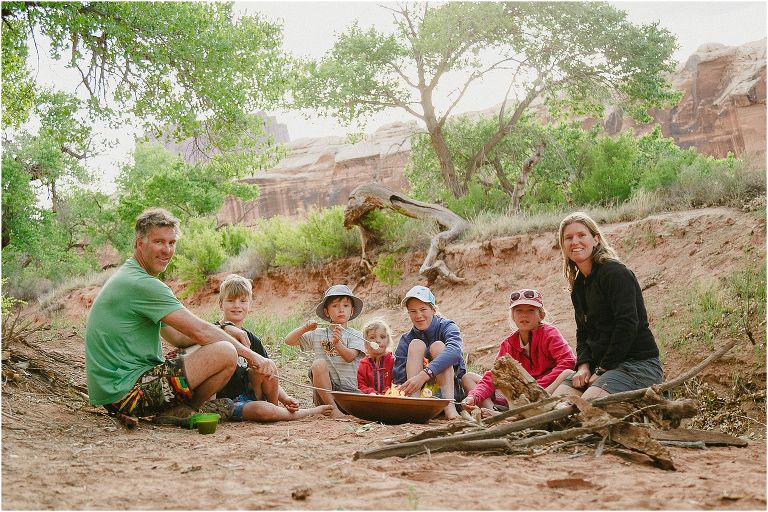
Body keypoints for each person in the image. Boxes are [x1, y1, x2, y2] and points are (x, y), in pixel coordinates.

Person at [85, 208, 277, 425]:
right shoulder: (142, 284)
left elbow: (178, 336)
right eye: (159, 242)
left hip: (117, 392)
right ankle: (187, 409)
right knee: (224, 351)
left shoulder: (130, 277)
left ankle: (178, 410)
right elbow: (199, 331)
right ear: (140, 244)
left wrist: (223, 328)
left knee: (212, 346)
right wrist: (254, 357)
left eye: (172, 243)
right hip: (127, 394)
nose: (167, 250)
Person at [553, 212, 663, 400]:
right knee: (558, 402)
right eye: (568, 238)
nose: (575, 241)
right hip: (601, 366)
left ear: (595, 239)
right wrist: (584, 366)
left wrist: (604, 369)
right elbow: (583, 332)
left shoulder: (614, 273)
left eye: (581, 235)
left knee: (588, 404)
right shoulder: (579, 285)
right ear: (563, 245)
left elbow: (627, 324)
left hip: (636, 364)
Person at [213, 274, 332, 421]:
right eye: (231, 301)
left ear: (250, 305)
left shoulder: (252, 339)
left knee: (267, 365)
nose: (237, 305)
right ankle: (304, 412)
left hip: (251, 394)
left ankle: (275, 407)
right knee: (262, 410)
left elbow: (270, 373)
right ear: (220, 304)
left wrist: (286, 398)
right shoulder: (213, 331)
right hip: (226, 401)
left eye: (243, 301)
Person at [462, 288, 575, 414]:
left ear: (541, 315)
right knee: (469, 377)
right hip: (517, 393)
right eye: (519, 310)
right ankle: (492, 411)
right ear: (513, 316)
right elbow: (495, 375)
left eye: (531, 310)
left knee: (567, 373)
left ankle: (507, 413)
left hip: (546, 389)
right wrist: (474, 396)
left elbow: (568, 362)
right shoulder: (508, 343)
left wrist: (534, 386)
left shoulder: (550, 334)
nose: (524, 315)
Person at [393, 285, 481, 420]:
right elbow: (399, 375)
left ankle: (450, 410)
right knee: (416, 345)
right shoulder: (406, 339)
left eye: (423, 309)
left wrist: (425, 374)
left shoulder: (447, 327)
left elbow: (455, 351)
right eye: (413, 311)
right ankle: (415, 407)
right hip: (421, 394)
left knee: (438, 346)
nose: (418, 315)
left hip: (450, 393)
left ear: (433, 310)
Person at [284, 284, 365, 418]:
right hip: (325, 395)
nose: (341, 310)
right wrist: (305, 328)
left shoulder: (355, 335)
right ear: (327, 312)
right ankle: (332, 409)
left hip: (349, 393)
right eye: (335, 306)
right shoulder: (318, 333)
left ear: (351, 311)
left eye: (345, 306)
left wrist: (337, 343)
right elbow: (289, 341)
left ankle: (340, 410)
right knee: (318, 364)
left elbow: (350, 357)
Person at [357, 318, 395, 395]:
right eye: (372, 338)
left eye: (382, 337)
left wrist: (388, 392)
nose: (377, 340)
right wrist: (371, 392)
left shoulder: (393, 361)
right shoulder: (362, 364)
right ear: (365, 343)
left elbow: (397, 382)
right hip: (370, 400)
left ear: (388, 340)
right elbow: (360, 385)